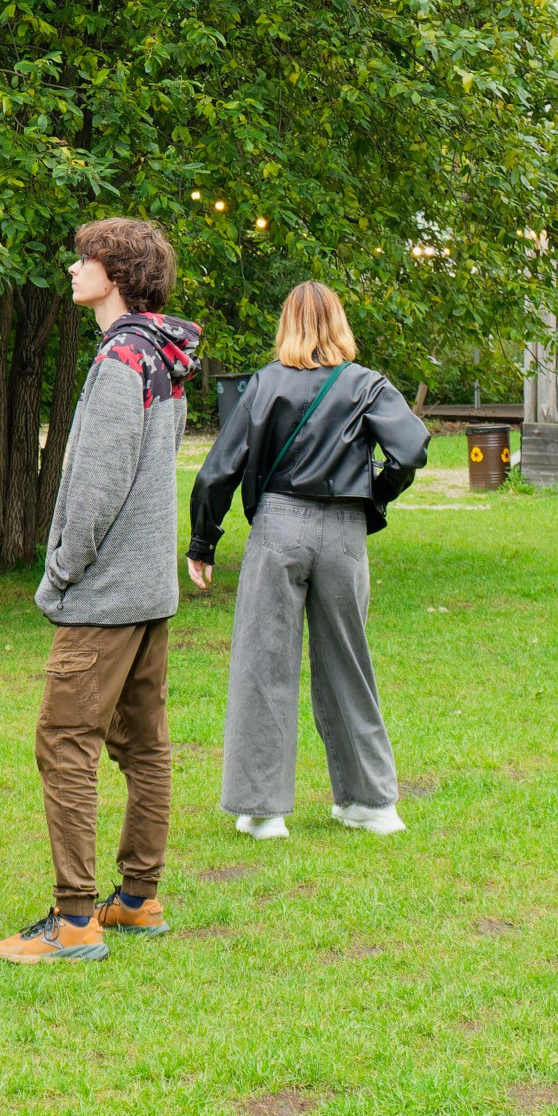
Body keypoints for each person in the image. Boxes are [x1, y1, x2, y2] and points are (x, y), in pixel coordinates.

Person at [0, 219, 202, 965]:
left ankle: (76, 916)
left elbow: (98, 488)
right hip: (148, 587)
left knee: (65, 741)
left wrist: (60, 574)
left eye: (85, 258)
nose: (74, 267)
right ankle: (138, 901)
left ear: (115, 272)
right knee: (145, 744)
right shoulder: (161, 352)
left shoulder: (121, 357)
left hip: (109, 592)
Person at [187, 280, 429, 840]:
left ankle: (263, 810)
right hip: (345, 530)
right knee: (349, 661)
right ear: (340, 322)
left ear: (286, 324)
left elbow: (219, 469)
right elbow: (411, 449)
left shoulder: (264, 383)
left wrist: (203, 542)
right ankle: (372, 803)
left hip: (278, 526)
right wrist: (376, 493)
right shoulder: (367, 385)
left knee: (263, 663)